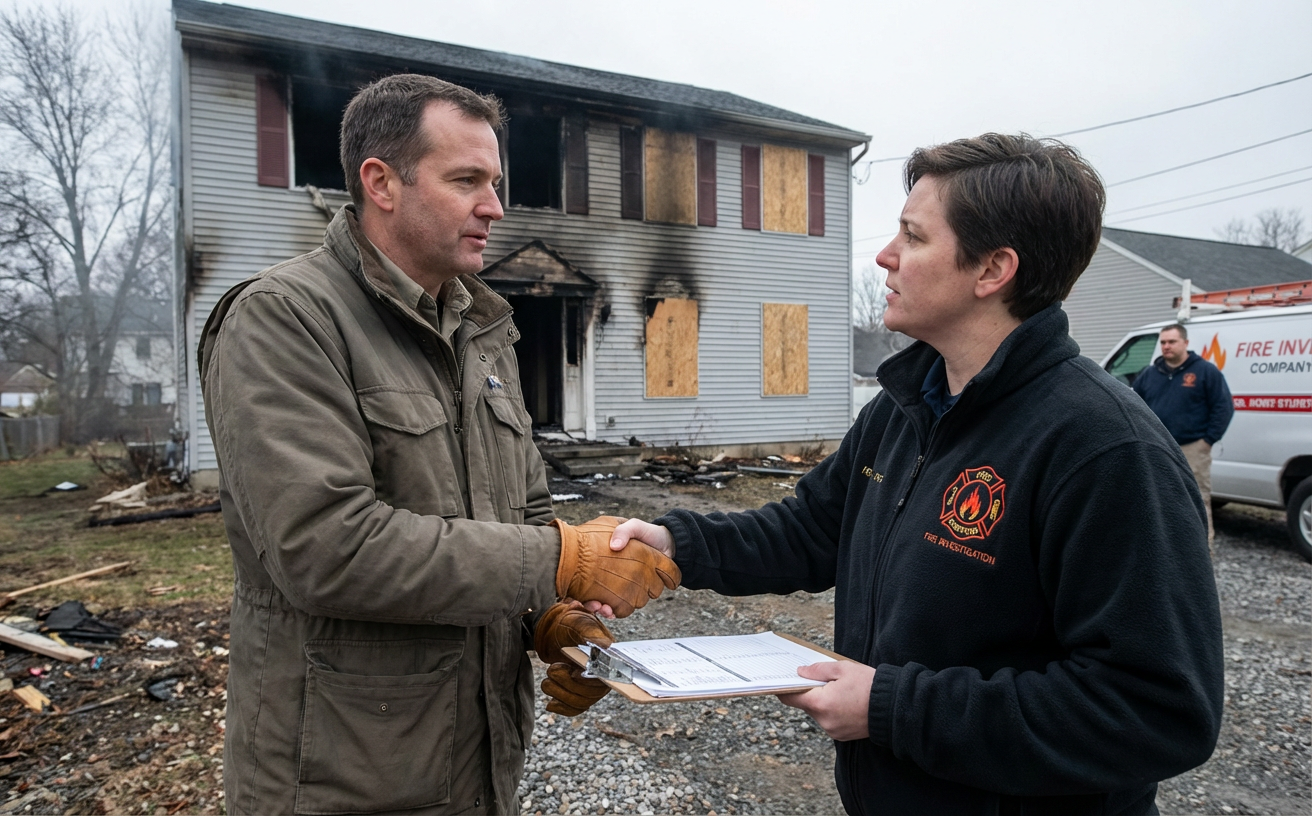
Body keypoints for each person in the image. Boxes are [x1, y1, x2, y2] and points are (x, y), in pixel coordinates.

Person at [605, 134, 1224, 814]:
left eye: (913, 237)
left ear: (992, 270)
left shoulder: (1104, 448)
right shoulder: (906, 405)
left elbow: (1157, 709)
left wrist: (893, 708)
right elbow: (814, 528)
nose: (885, 257)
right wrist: (677, 546)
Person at [198, 75, 678, 815]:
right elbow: (325, 549)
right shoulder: (283, 319)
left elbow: (520, 515)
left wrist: (554, 619)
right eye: (467, 181)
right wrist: (560, 558)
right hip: (342, 778)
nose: (496, 206)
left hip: (477, 763)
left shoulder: (484, 333)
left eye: (496, 182)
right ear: (382, 183)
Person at [1132, 323, 1234, 550]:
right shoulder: (1149, 374)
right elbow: (1134, 406)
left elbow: (1223, 407)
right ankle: (1162, 551)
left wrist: (1207, 441)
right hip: (1156, 447)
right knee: (1156, 500)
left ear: (1185, 343)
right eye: (1163, 342)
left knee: (1196, 501)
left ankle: (1201, 554)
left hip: (1192, 448)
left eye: (1172, 342)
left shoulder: (1205, 372)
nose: (1166, 347)